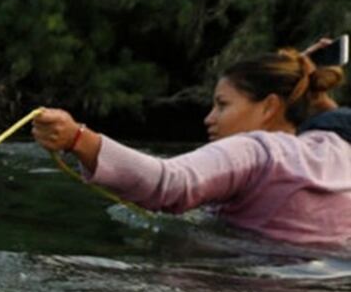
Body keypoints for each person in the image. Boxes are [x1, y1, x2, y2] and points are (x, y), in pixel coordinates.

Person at [33, 49, 351, 247]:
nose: (209, 119)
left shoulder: (256, 151)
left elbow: (171, 182)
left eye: (222, 105)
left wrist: (78, 139)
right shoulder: (338, 151)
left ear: (269, 107)